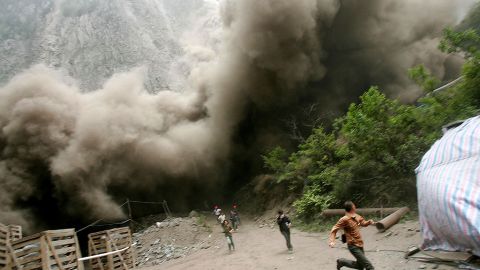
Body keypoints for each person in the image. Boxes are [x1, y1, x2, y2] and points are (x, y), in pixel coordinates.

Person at [329, 201, 376, 270]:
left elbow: (363, 223)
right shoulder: (344, 219)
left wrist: (369, 222)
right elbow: (334, 229)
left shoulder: (356, 216)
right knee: (369, 266)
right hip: (353, 246)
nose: (355, 206)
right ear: (351, 207)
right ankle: (342, 262)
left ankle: (342, 262)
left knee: (360, 266)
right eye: (354, 205)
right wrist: (332, 241)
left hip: (360, 244)